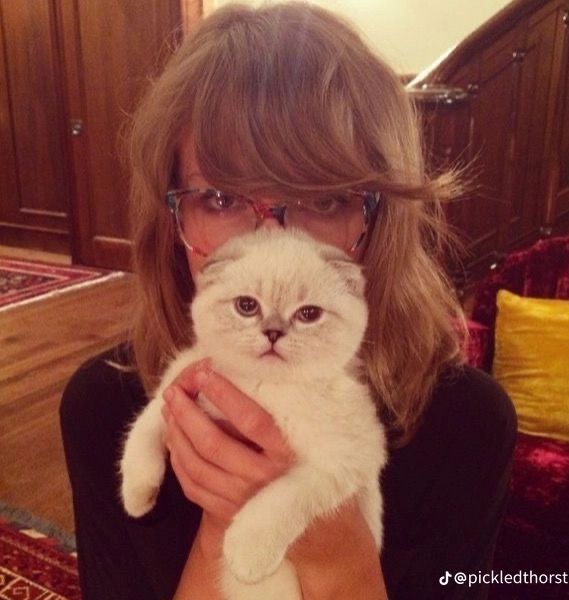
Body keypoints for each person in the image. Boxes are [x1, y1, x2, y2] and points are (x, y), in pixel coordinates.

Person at [60, 3, 517, 599]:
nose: (270, 243)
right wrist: (221, 521)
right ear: (172, 215)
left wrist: (336, 552)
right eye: (221, 198)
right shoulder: (102, 407)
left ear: (379, 218)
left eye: (323, 200)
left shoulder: (468, 424)